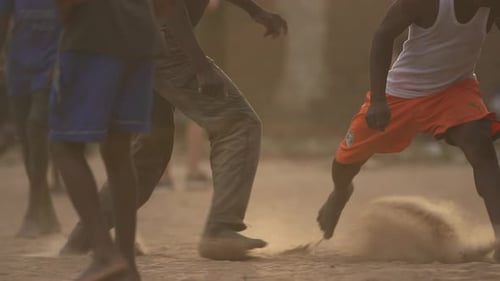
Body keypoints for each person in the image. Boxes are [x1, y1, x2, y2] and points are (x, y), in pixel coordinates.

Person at [60, 0, 287, 261]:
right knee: (237, 123)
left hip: (136, 40)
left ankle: (84, 238)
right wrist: (201, 68)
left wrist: (255, 11)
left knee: (151, 150)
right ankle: (221, 228)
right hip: (162, 38)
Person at [317, 0, 500, 261]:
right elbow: (382, 35)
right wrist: (378, 99)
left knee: (480, 147)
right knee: (345, 161)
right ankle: (340, 192)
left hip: (454, 91)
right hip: (401, 93)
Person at [50, 0, 162, 280]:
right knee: (118, 151)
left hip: (92, 36)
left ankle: (104, 253)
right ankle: (127, 265)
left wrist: (66, 31)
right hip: (141, 37)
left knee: (64, 145)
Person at [0, 0, 61, 238]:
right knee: (25, 136)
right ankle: (44, 212)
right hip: (18, 68)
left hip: (51, 65)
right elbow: (3, 25)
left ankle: (34, 208)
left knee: (37, 125)